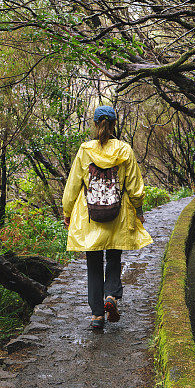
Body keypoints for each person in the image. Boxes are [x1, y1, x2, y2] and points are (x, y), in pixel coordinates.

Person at [62, 105, 152, 329]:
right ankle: (111, 295)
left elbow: (73, 185)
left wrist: (67, 212)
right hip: (117, 214)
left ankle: (96, 316)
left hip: (89, 216)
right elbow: (134, 187)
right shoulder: (124, 150)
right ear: (114, 125)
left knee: (93, 262)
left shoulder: (85, 150)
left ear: (95, 124)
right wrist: (139, 212)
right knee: (113, 255)